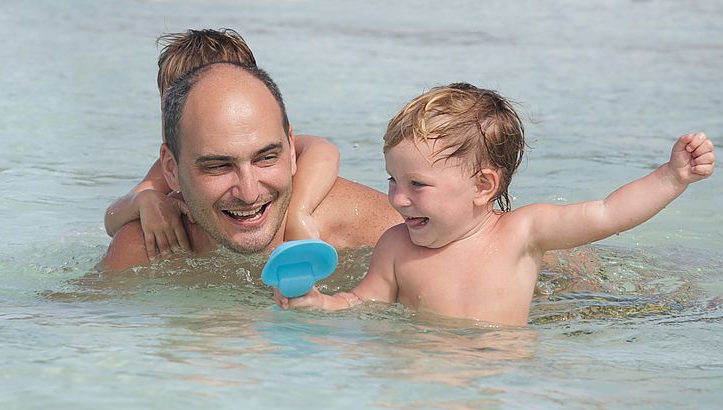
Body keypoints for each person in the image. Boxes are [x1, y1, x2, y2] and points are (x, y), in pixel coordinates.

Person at [274, 83, 716, 326]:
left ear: (483, 185)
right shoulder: (395, 246)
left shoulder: (522, 234)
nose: (397, 198)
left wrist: (672, 176)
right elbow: (362, 301)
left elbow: (609, 213)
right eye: (392, 180)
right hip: (416, 385)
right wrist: (323, 305)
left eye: (417, 184)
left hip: (502, 379)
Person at [101, 62, 402, 270]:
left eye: (266, 158)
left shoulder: (376, 232)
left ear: (292, 148)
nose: (249, 193)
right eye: (218, 166)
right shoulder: (148, 248)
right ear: (171, 169)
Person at [104, 29, 339, 260]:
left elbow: (324, 152)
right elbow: (112, 219)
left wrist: (299, 213)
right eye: (171, 106)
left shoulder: (273, 145)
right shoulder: (166, 168)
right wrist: (144, 202)